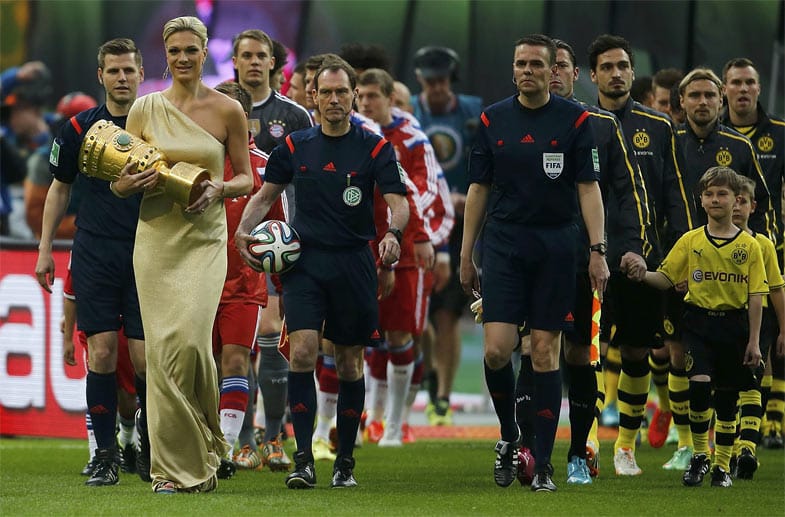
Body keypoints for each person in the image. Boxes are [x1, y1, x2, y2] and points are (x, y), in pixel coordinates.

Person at [235, 57, 409, 489]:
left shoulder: (374, 148)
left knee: (350, 362)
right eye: (325, 92)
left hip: (354, 264)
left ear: (353, 96)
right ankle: (303, 459)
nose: (333, 99)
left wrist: (394, 234)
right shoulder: (295, 147)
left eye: (341, 92)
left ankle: (344, 461)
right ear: (312, 96)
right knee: (303, 353)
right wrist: (242, 230)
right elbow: (264, 196)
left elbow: (398, 201)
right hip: (304, 263)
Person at [460, 34, 608, 493]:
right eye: (520, 63)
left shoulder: (575, 120)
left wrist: (597, 250)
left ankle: (542, 463)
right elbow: (478, 190)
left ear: (552, 70)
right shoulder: (492, 118)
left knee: (545, 351)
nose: (527, 70)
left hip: (557, 248)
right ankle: (509, 435)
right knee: (497, 349)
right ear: (513, 69)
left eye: (536, 64)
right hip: (504, 246)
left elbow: (588, 187)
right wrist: (466, 254)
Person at [124, 16, 253, 494]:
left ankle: (202, 445)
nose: (182, 58)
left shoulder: (227, 110)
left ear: (204, 53)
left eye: (190, 50)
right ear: (165, 54)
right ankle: (173, 471)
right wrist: (128, 183)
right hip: (155, 240)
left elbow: (247, 178)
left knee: (193, 345)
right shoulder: (144, 109)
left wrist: (219, 189)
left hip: (204, 241)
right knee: (160, 354)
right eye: (174, 50)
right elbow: (118, 181)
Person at [519, 37, 650, 485]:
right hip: (528, 259)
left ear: (576, 74)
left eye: (561, 65)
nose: (551, 72)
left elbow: (627, 194)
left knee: (580, 353)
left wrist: (621, 247)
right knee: (526, 349)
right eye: (545, 64)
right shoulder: (514, 120)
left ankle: (578, 453)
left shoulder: (601, 125)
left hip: (581, 259)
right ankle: (525, 449)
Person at [34, 38, 150, 487]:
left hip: (148, 251)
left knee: (144, 359)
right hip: (96, 250)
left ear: (141, 74)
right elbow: (58, 188)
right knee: (101, 352)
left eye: (129, 70)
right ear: (100, 76)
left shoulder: (159, 123)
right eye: (114, 70)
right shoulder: (78, 128)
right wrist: (45, 248)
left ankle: (148, 447)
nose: (122, 78)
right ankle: (104, 455)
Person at [588, 34, 694, 475]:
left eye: (623, 66)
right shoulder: (581, 123)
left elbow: (675, 195)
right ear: (592, 75)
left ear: (633, 73)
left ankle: (625, 448)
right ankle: (588, 442)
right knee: (588, 351)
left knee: (635, 352)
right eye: (607, 67)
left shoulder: (659, 126)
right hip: (590, 259)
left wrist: (685, 256)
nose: (616, 74)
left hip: (642, 260)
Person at [623, 166, 766, 488]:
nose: (715, 200)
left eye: (722, 194)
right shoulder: (691, 241)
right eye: (709, 194)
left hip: (735, 325)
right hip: (698, 324)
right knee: (699, 387)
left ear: (736, 200)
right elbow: (666, 277)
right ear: (700, 200)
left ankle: (721, 465)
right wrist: (641, 274)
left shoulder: (750, 246)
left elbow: (757, 296)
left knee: (728, 401)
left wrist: (755, 341)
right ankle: (700, 455)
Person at [232, 27, 312, 470]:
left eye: (261, 55)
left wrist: (298, 234)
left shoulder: (294, 115)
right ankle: (242, 436)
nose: (254, 62)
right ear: (236, 61)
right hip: (234, 244)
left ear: (272, 63)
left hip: (285, 241)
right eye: (246, 55)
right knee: (238, 342)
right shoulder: (220, 107)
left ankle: (275, 434)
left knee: (274, 337)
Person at [357, 68, 446, 446]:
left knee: (400, 334)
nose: (365, 103)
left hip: (406, 248)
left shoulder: (412, 139)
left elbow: (423, 191)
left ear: (390, 98)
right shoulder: (353, 134)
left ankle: (395, 424)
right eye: (360, 96)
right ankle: (369, 420)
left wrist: (421, 234)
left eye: (372, 96)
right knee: (359, 336)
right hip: (362, 247)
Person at [210, 81, 287, 475]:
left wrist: (280, 282)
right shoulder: (194, 162)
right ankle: (208, 443)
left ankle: (226, 450)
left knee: (236, 360)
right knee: (204, 365)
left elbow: (280, 233)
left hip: (244, 284)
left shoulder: (263, 167)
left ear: (245, 120)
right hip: (197, 285)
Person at [412, 45, 483, 426]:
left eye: (441, 81)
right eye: (429, 81)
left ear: (450, 80)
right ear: (420, 81)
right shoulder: (409, 110)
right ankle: (429, 372)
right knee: (414, 318)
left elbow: (485, 162)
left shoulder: (472, 112)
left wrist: (469, 196)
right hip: (416, 224)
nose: (435, 88)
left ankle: (442, 396)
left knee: (448, 316)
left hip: (458, 227)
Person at [720, 57, 785, 449]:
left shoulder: (780, 133)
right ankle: (739, 417)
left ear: (759, 89)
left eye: (749, 82)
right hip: (719, 252)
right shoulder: (715, 134)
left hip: (772, 247)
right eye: (736, 83)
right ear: (724, 88)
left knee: (775, 333)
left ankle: (773, 417)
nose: (743, 90)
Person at [729, 175, 785, 475]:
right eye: (732, 199)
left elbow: (776, 288)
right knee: (725, 384)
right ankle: (726, 446)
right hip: (719, 317)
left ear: (753, 206)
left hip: (756, 319)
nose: (736, 207)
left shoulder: (763, 243)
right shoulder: (703, 238)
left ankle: (746, 447)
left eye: (742, 201)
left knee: (753, 377)